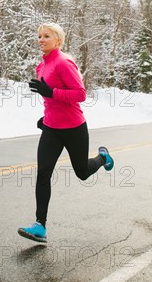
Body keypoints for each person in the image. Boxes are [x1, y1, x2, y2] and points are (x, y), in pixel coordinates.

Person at [18, 22, 114, 244]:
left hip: (73, 128)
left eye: (47, 36)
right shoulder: (41, 67)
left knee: (82, 172)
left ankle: (103, 157)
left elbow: (80, 94)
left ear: (58, 41)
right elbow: (50, 99)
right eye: (39, 36)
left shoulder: (64, 62)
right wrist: (46, 117)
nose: (41, 39)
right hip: (52, 128)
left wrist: (51, 92)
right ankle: (40, 226)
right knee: (43, 174)